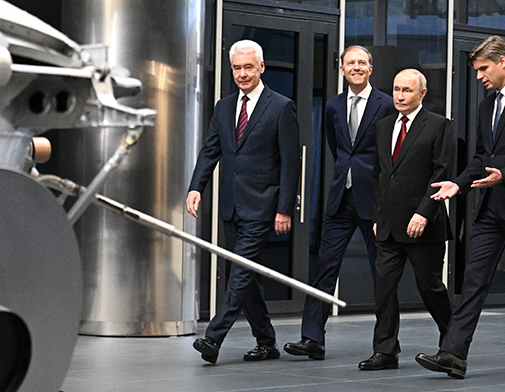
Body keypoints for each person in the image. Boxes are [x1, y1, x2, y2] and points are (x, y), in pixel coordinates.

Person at [417, 35, 505, 379]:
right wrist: (458, 184)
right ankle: (453, 354)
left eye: (483, 68)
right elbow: (482, 157)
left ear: (502, 62)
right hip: (491, 208)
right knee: (473, 280)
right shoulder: (486, 106)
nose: (479, 76)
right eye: (477, 70)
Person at [187, 39, 301, 364]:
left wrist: (284, 208)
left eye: (248, 67)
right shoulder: (224, 107)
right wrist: (196, 187)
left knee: (238, 273)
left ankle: (213, 338)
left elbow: (290, 163)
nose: (242, 74)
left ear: (261, 67)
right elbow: (210, 151)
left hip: (263, 206)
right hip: (231, 206)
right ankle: (266, 341)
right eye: (236, 68)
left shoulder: (281, 106)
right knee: (247, 277)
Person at [283, 46, 394, 360]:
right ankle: (312, 338)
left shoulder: (386, 104)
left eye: (362, 63)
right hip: (340, 199)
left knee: (382, 274)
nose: (356, 67)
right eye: (350, 63)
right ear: (341, 69)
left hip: (374, 201)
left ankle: (387, 346)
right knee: (324, 268)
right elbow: (339, 149)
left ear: (370, 68)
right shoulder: (332, 106)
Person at [358, 69, 453, 370]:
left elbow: (441, 174)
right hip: (388, 225)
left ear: (422, 93)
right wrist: (377, 215)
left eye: (407, 90)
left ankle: (453, 343)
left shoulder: (438, 125)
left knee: (430, 287)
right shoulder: (384, 126)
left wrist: (424, 213)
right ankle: (385, 351)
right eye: (396, 89)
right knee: (384, 288)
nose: (399, 96)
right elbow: (379, 175)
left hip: (423, 225)